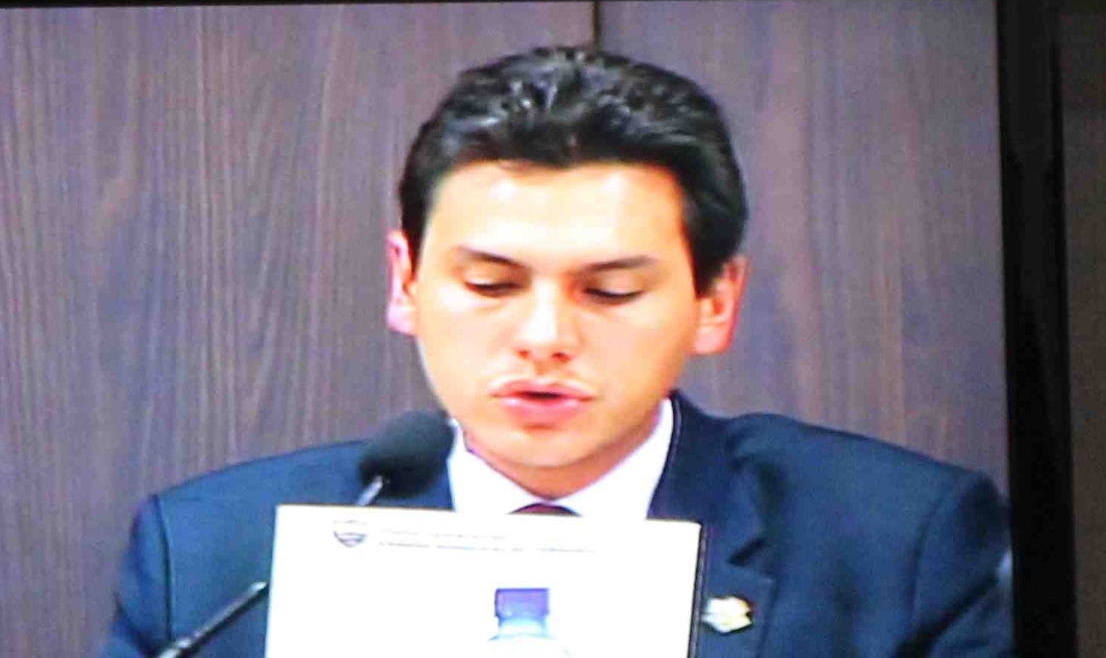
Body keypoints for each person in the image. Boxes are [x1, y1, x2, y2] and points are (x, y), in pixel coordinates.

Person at [96, 45, 1015, 658]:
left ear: (715, 300)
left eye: (608, 291)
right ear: (405, 281)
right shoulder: (215, 556)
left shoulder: (899, 543)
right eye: (491, 284)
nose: (544, 338)